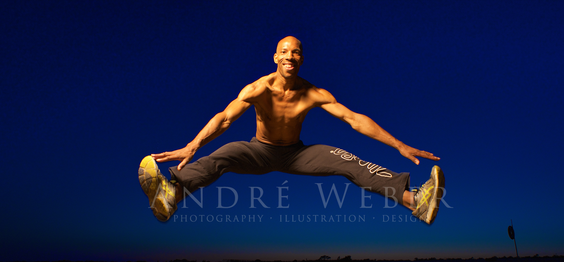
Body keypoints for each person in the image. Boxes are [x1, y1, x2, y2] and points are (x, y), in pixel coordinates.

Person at [138, 36, 445, 224]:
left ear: (301, 59)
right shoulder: (258, 88)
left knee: (347, 161)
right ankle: (170, 194)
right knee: (225, 154)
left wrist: (398, 144)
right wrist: (193, 145)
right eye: (284, 51)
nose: (289, 56)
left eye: (295, 52)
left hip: (297, 154)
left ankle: (415, 201)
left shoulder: (313, 93)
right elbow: (225, 117)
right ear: (276, 57)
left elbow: (354, 119)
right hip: (259, 150)